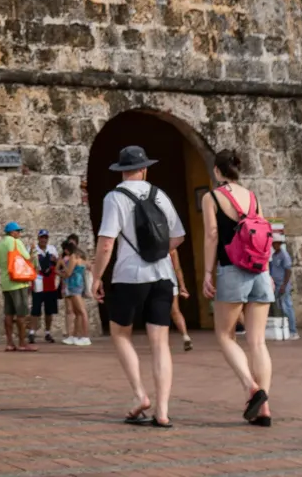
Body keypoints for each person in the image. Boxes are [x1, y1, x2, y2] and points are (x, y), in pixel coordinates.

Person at [89, 146, 186, 428]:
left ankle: (140, 396)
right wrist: (156, 252)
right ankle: (163, 411)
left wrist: (96, 277)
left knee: (120, 334)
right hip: (162, 275)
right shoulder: (160, 194)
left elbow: (107, 242)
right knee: (160, 343)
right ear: (144, 168)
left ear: (121, 171)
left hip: (129, 276)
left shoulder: (115, 197)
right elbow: (178, 236)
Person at [201, 150, 275, 426]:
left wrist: (207, 273)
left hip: (232, 269)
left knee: (225, 335)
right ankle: (264, 408)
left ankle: (251, 387)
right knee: (257, 341)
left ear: (218, 172)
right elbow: (264, 232)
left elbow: (211, 235)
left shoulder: (212, 197)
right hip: (260, 271)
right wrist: (267, 271)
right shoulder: (253, 197)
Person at [0, 221, 35, 352]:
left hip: (6, 283)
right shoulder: (16, 242)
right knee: (21, 314)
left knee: (8, 313)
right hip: (18, 282)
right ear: (12, 232)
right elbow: (27, 257)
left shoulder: (0, 245)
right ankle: (23, 343)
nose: (19, 233)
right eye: (18, 231)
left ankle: (9, 343)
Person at [28, 229, 61, 344]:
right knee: (35, 309)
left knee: (49, 310)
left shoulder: (52, 249)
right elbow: (28, 263)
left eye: (45, 237)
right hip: (38, 281)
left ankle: (47, 332)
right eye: (42, 237)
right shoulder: (33, 249)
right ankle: (32, 332)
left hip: (50, 283)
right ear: (38, 238)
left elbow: (58, 264)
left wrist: (55, 260)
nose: (43, 240)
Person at [60, 236, 91, 345]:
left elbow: (68, 273)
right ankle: (75, 336)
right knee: (78, 312)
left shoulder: (73, 257)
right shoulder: (81, 256)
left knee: (81, 312)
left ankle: (85, 336)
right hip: (78, 284)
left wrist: (60, 272)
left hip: (74, 285)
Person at [269, 230, 295, 338]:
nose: (274, 245)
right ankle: (285, 330)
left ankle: (293, 330)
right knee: (279, 307)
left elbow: (288, 270)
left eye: (275, 243)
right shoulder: (275, 255)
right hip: (277, 284)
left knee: (287, 306)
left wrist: (284, 285)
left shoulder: (284, 255)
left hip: (283, 284)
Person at [168, 250, 194, 352]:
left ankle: (163, 342)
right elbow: (177, 268)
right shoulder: (171, 248)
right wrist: (182, 285)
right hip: (170, 281)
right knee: (175, 311)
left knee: (158, 314)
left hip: (152, 281)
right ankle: (185, 335)